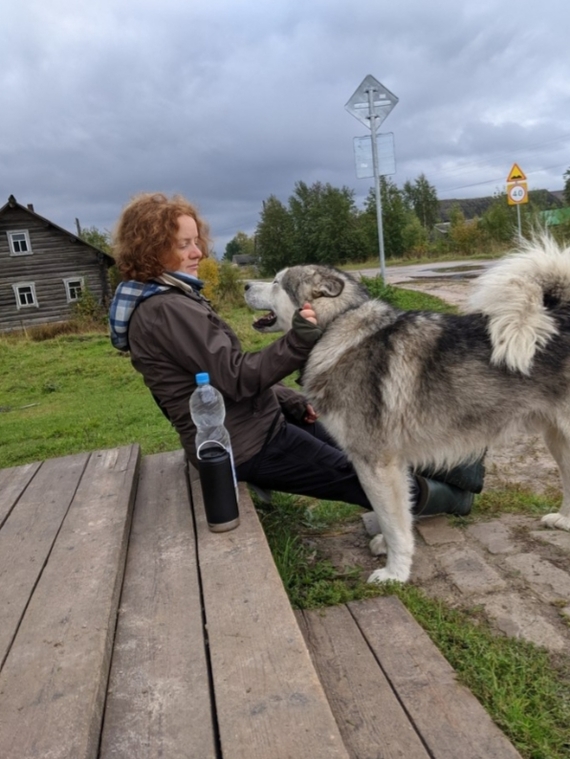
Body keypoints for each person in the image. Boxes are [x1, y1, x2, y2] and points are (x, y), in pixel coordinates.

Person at [109, 192, 484, 519]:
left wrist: (288, 398)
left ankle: (465, 471)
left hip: (257, 422)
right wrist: (299, 341)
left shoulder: (167, 297)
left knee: (367, 442)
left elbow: (208, 377)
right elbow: (236, 377)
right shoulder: (165, 310)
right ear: (152, 249)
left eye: (196, 241)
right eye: (183, 245)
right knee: (358, 472)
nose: (198, 252)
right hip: (245, 445)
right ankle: (453, 500)